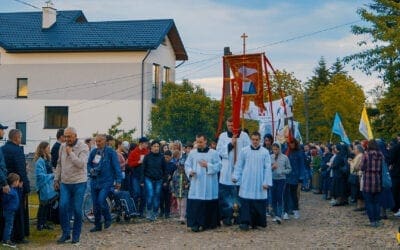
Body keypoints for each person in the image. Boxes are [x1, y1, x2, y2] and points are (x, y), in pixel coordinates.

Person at [54, 127, 88, 244]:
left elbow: (81, 164)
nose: (67, 139)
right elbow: (59, 164)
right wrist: (56, 179)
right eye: (65, 136)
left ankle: (76, 235)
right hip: (65, 182)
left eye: (69, 136)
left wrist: (71, 153)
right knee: (63, 207)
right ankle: (66, 233)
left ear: (75, 135)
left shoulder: (83, 147)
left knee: (77, 210)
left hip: (79, 182)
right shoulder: (62, 146)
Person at [232, 131, 272, 230]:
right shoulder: (244, 151)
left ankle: (257, 222)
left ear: (260, 140)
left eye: (257, 140)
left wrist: (266, 182)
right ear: (250, 140)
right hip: (247, 179)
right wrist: (236, 176)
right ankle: (245, 222)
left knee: (258, 202)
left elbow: (267, 168)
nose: (255, 142)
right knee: (246, 201)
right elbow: (239, 165)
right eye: (253, 140)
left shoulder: (265, 152)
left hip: (259, 180)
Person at [216, 117, 250, 226]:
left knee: (238, 196)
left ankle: (238, 218)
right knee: (225, 197)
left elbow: (248, 151)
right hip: (226, 171)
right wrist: (231, 145)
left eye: (232, 125)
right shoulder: (223, 136)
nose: (230, 127)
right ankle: (227, 217)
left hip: (239, 170)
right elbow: (219, 151)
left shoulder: (244, 136)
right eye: (229, 125)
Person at [185, 134, 221, 232]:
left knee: (208, 202)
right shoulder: (192, 153)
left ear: (205, 141)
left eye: (201, 142)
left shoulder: (213, 153)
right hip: (197, 182)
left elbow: (219, 166)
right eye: (197, 142)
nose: (199, 144)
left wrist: (208, 165)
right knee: (196, 203)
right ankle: (195, 224)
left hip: (209, 182)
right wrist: (190, 171)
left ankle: (208, 223)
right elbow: (187, 165)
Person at [87, 134, 122, 232]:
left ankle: (108, 218)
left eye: (99, 141)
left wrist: (118, 180)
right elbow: (88, 164)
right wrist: (91, 170)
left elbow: (116, 166)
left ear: (105, 141)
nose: (97, 143)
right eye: (96, 141)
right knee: (95, 204)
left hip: (106, 181)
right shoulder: (94, 152)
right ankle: (97, 225)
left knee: (101, 200)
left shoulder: (111, 152)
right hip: (94, 181)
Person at [1, 129, 30, 244]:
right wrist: (26, 185)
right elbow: (21, 169)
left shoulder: (2, 149)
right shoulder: (17, 150)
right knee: (18, 211)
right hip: (17, 183)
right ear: (16, 138)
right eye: (20, 137)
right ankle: (18, 236)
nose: (21, 139)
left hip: (5, 183)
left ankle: (5, 235)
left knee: (5, 210)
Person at [141, 140, 166, 221]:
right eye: (154, 146)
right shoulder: (147, 157)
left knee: (157, 196)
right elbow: (143, 169)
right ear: (151, 147)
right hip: (148, 178)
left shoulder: (162, 157)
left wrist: (165, 180)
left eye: (157, 146)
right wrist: (141, 181)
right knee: (150, 195)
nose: (156, 148)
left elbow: (165, 169)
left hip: (159, 179)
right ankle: (149, 211)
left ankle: (155, 212)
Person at [34, 141, 57, 231]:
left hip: (48, 186)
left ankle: (44, 223)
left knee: (47, 206)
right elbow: (40, 176)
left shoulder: (47, 159)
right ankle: (40, 225)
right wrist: (52, 175)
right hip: (43, 187)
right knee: (43, 206)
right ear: (43, 149)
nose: (49, 149)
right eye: (48, 148)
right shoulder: (40, 161)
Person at [361, 139, 383, 227]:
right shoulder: (380, 154)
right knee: (376, 202)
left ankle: (372, 221)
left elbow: (362, 167)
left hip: (368, 179)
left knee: (369, 202)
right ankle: (377, 220)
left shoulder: (366, 154)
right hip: (377, 179)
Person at [127, 137, 149, 217]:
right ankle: (134, 210)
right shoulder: (134, 152)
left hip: (144, 176)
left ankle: (141, 212)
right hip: (135, 175)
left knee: (144, 194)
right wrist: (138, 162)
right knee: (136, 193)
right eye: (146, 143)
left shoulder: (147, 152)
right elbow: (129, 163)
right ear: (141, 143)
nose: (147, 145)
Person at [283, 138, 305, 220]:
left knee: (294, 194)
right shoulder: (286, 151)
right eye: (290, 143)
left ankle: (295, 210)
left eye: (292, 143)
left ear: (295, 143)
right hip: (286, 176)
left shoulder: (299, 152)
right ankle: (285, 211)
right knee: (285, 194)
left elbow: (301, 165)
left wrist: (301, 177)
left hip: (295, 176)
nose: (291, 145)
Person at [270, 142, 291, 224]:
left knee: (280, 196)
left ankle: (279, 215)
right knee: (273, 197)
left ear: (279, 149)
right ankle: (275, 214)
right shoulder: (270, 157)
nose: (275, 150)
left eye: (277, 149)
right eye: (274, 149)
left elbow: (289, 169)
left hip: (281, 179)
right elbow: (267, 168)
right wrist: (272, 167)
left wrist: (283, 171)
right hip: (273, 179)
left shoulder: (285, 157)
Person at [1, 173, 20, 248]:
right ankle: (6, 240)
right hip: (9, 211)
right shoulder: (9, 191)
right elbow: (5, 200)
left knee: (9, 225)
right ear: (14, 182)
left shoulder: (13, 190)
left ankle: (6, 238)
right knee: (9, 225)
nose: (19, 183)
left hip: (11, 210)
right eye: (18, 181)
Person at [170, 159, 190, 224]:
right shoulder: (175, 173)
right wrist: (173, 191)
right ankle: (180, 215)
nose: (182, 167)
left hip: (184, 192)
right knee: (179, 205)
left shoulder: (187, 173)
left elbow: (191, 181)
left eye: (183, 166)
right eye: (180, 166)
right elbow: (172, 182)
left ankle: (183, 217)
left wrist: (188, 185)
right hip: (177, 192)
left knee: (183, 204)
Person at [159, 150, 176, 219]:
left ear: (171, 157)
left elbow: (174, 175)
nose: (166, 159)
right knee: (161, 198)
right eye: (165, 157)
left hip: (169, 184)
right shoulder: (161, 164)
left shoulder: (173, 165)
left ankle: (167, 212)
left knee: (168, 199)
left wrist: (170, 178)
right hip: (162, 183)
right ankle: (162, 211)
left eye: (168, 157)